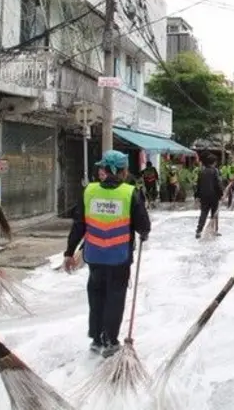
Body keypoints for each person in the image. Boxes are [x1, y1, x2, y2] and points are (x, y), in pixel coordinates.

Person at [63, 151, 150, 358]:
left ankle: (96, 338)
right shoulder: (130, 193)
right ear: (123, 171)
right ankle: (111, 340)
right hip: (118, 257)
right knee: (115, 297)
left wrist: (69, 252)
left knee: (96, 295)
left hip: (94, 256)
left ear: (105, 169)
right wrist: (144, 233)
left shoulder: (89, 191)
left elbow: (79, 225)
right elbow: (143, 225)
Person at [194, 153, 223, 239]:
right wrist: (221, 194)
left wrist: (197, 195)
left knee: (203, 213)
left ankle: (199, 230)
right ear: (213, 162)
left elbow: (198, 185)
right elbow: (217, 184)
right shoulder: (215, 171)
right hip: (214, 196)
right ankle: (214, 230)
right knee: (214, 213)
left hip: (204, 196)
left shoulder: (201, 171)